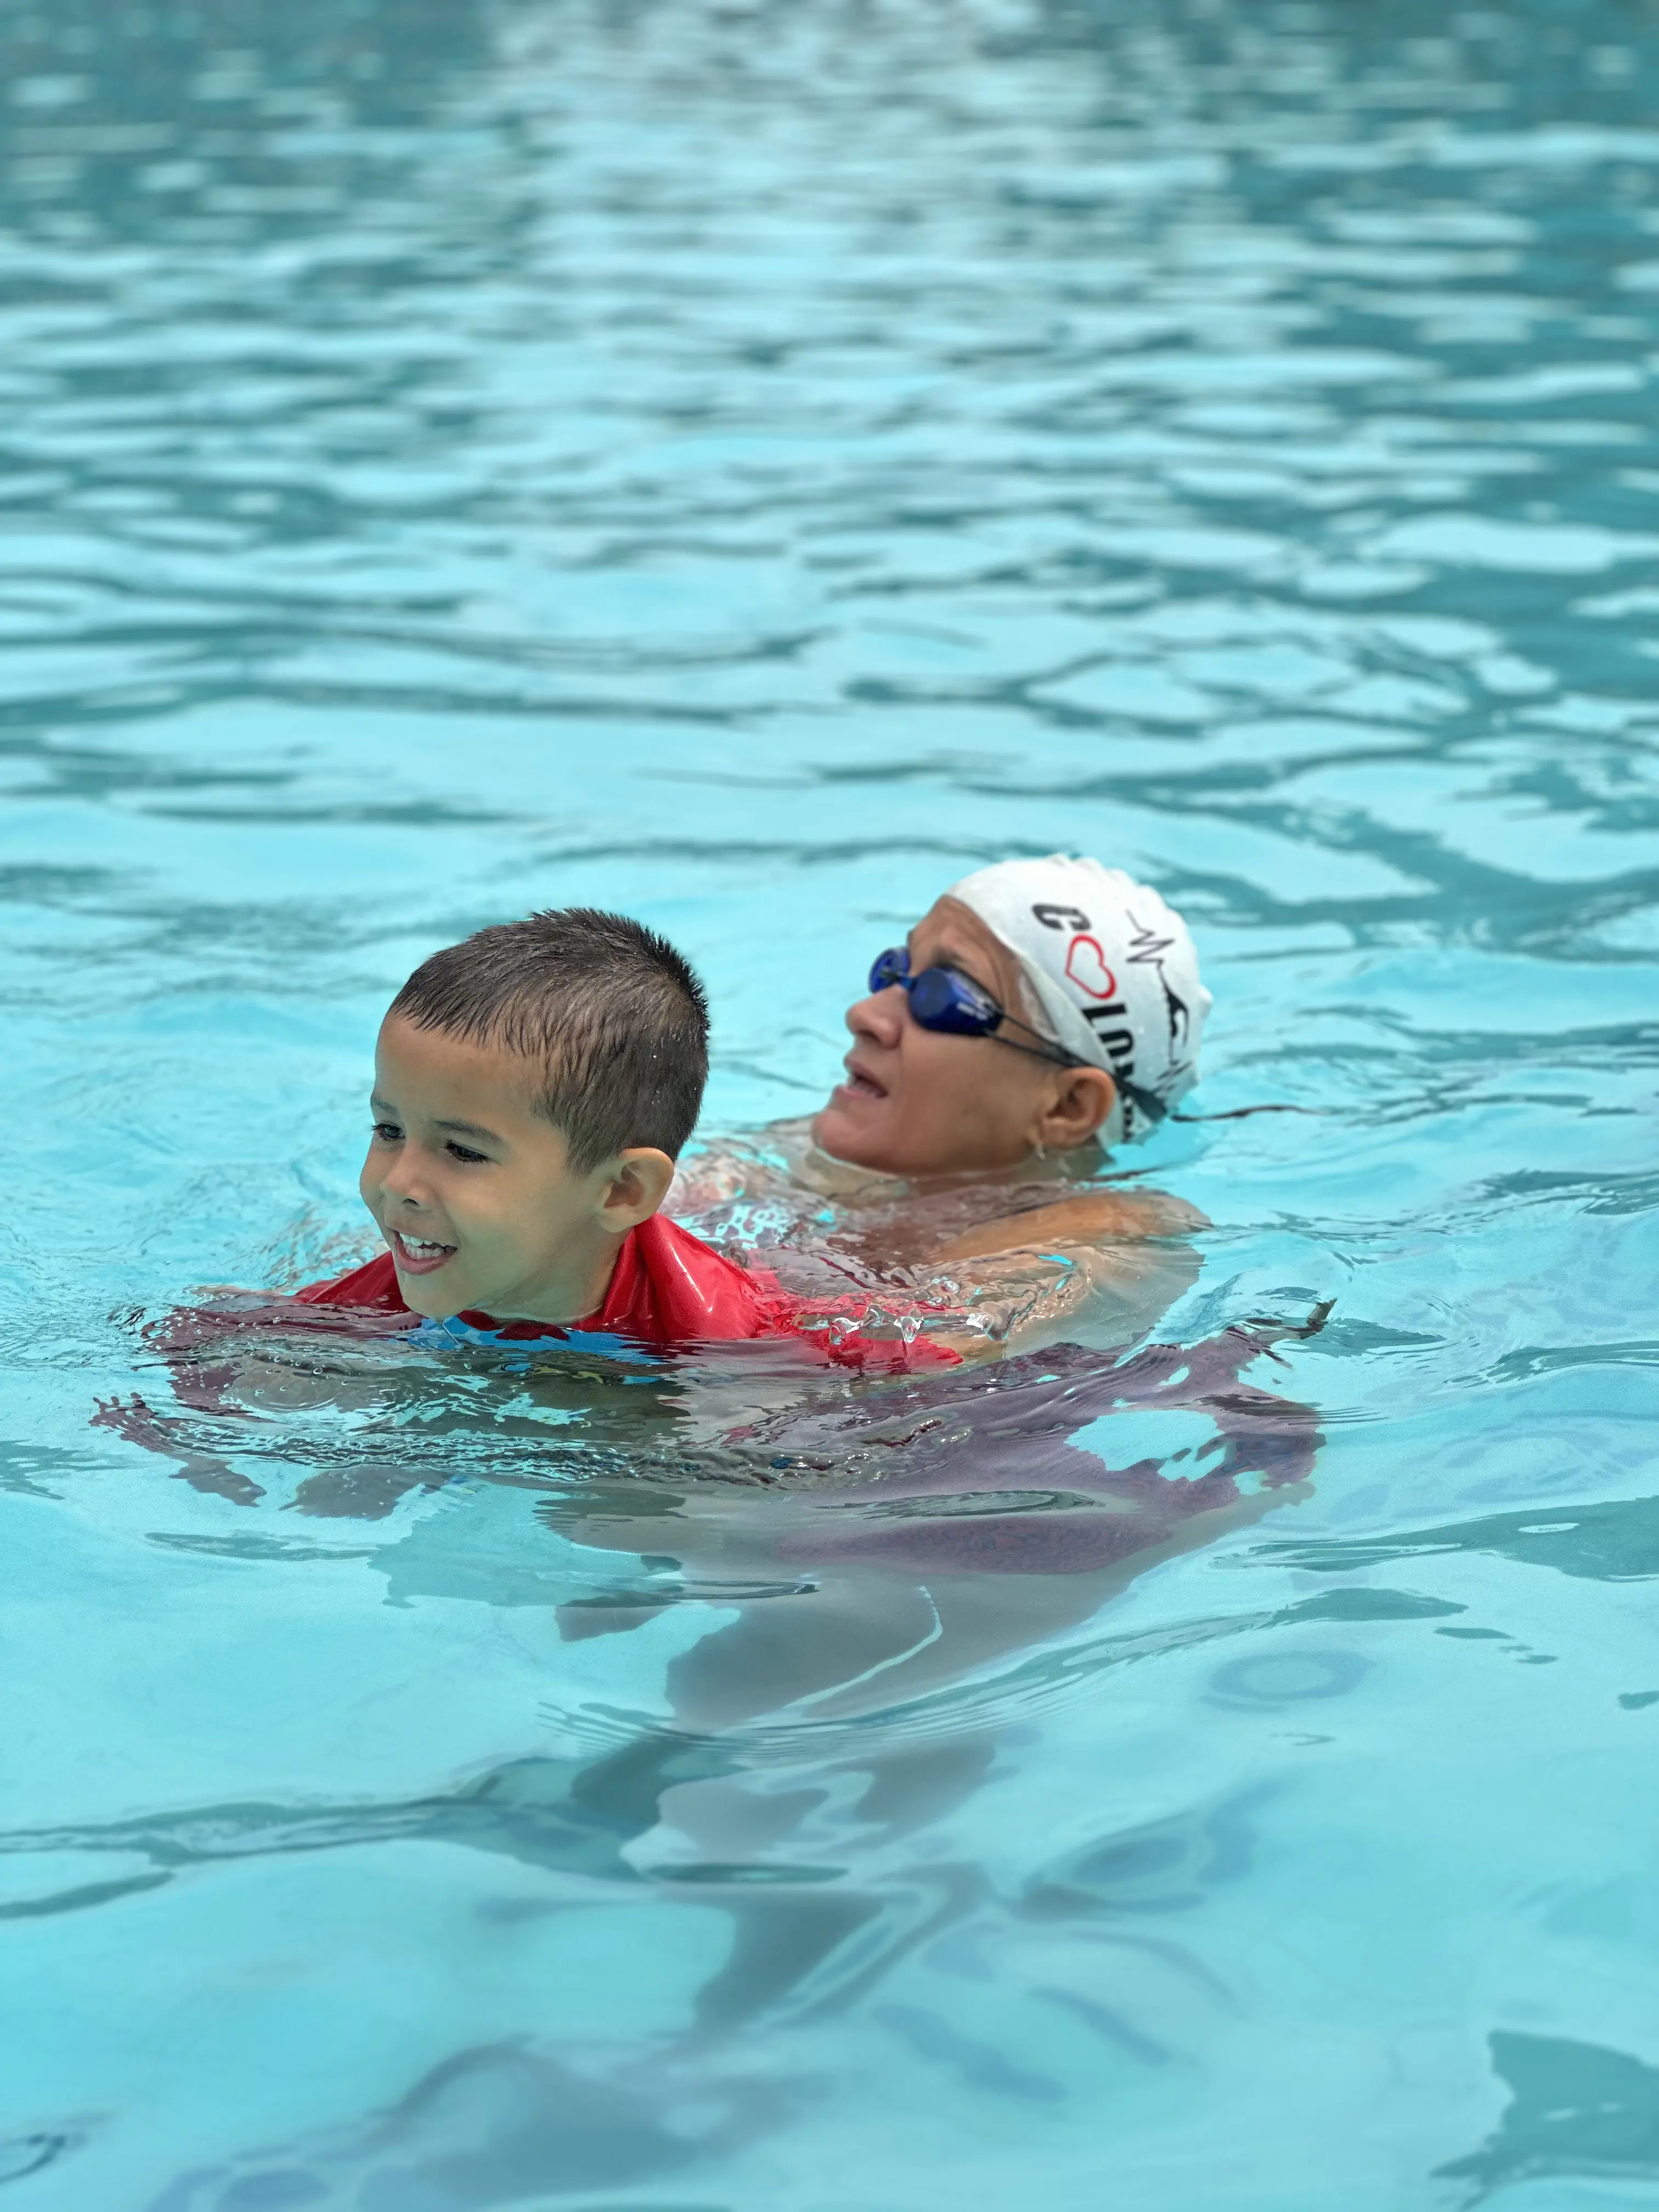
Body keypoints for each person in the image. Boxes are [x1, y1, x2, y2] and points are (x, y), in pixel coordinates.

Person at [290, 906, 955, 1368]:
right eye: (389, 1130)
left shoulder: (732, 1340)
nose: (398, 1184)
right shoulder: (374, 1296)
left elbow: (936, 1389)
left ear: (621, 1191)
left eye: (462, 1151)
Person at [670, 853, 1214, 1345]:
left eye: (944, 997)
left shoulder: (1114, 1247)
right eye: (893, 970)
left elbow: (849, 1372)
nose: (866, 1015)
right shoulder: (799, 1158)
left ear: (1067, 1108)